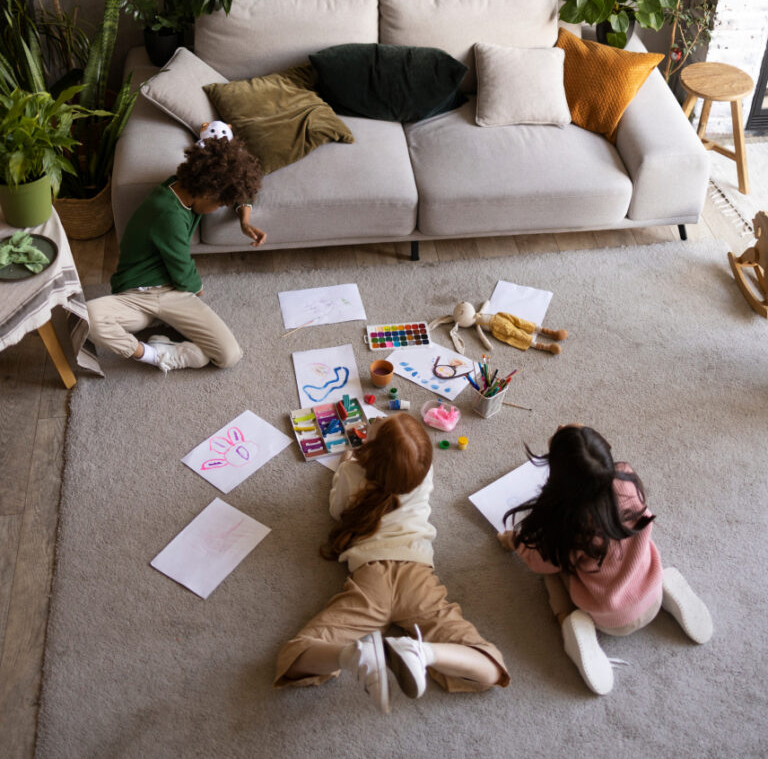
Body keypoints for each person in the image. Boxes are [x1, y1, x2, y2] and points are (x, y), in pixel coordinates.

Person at [275, 412, 509, 713]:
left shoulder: (351, 471)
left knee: (295, 655)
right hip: (418, 578)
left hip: (371, 579)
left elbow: (337, 511)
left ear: (370, 454)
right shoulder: (423, 470)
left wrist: (346, 465)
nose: (377, 419)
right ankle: (424, 653)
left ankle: (353, 656)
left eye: (377, 424)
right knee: (491, 667)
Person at [498, 424, 713, 695]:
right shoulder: (627, 480)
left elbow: (538, 560)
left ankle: (570, 622)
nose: (563, 425)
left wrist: (513, 541)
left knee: (551, 573)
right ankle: (662, 587)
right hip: (651, 591)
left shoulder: (568, 523)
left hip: (610, 619)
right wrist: (575, 438)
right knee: (631, 536)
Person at [87, 136, 266, 373]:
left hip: (170, 292)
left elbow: (237, 186)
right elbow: (183, 271)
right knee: (88, 318)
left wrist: (245, 221)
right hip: (136, 295)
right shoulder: (168, 213)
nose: (218, 208)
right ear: (208, 192)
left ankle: (167, 333)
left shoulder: (187, 185)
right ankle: (156, 354)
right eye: (219, 204)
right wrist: (197, 289)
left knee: (229, 356)